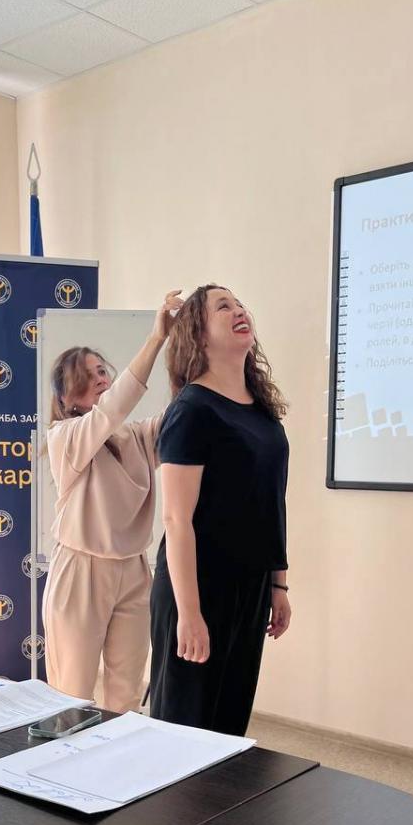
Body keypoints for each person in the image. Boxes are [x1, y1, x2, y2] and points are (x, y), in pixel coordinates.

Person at [149, 284, 290, 735]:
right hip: (199, 585)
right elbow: (177, 519)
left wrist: (277, 583)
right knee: (183, 729)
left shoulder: (262, 411)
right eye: (223, 307)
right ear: (199, 334)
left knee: (228, 728)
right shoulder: (192, 409)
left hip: (250, 585)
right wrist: (189, 614)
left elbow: (271, 501)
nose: (238, 310)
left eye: (240, 303)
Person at [43, 291, 182, 712]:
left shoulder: (136, 437)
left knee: (126, 695)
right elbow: (112, 409)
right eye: (88, 376)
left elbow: (180, 415)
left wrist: (187, 346)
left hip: (134, 570)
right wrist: (155, 338)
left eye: (103, 371)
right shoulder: (64, 437)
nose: (101, 379)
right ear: (67, 398)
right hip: (80, 571)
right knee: (71, 697)